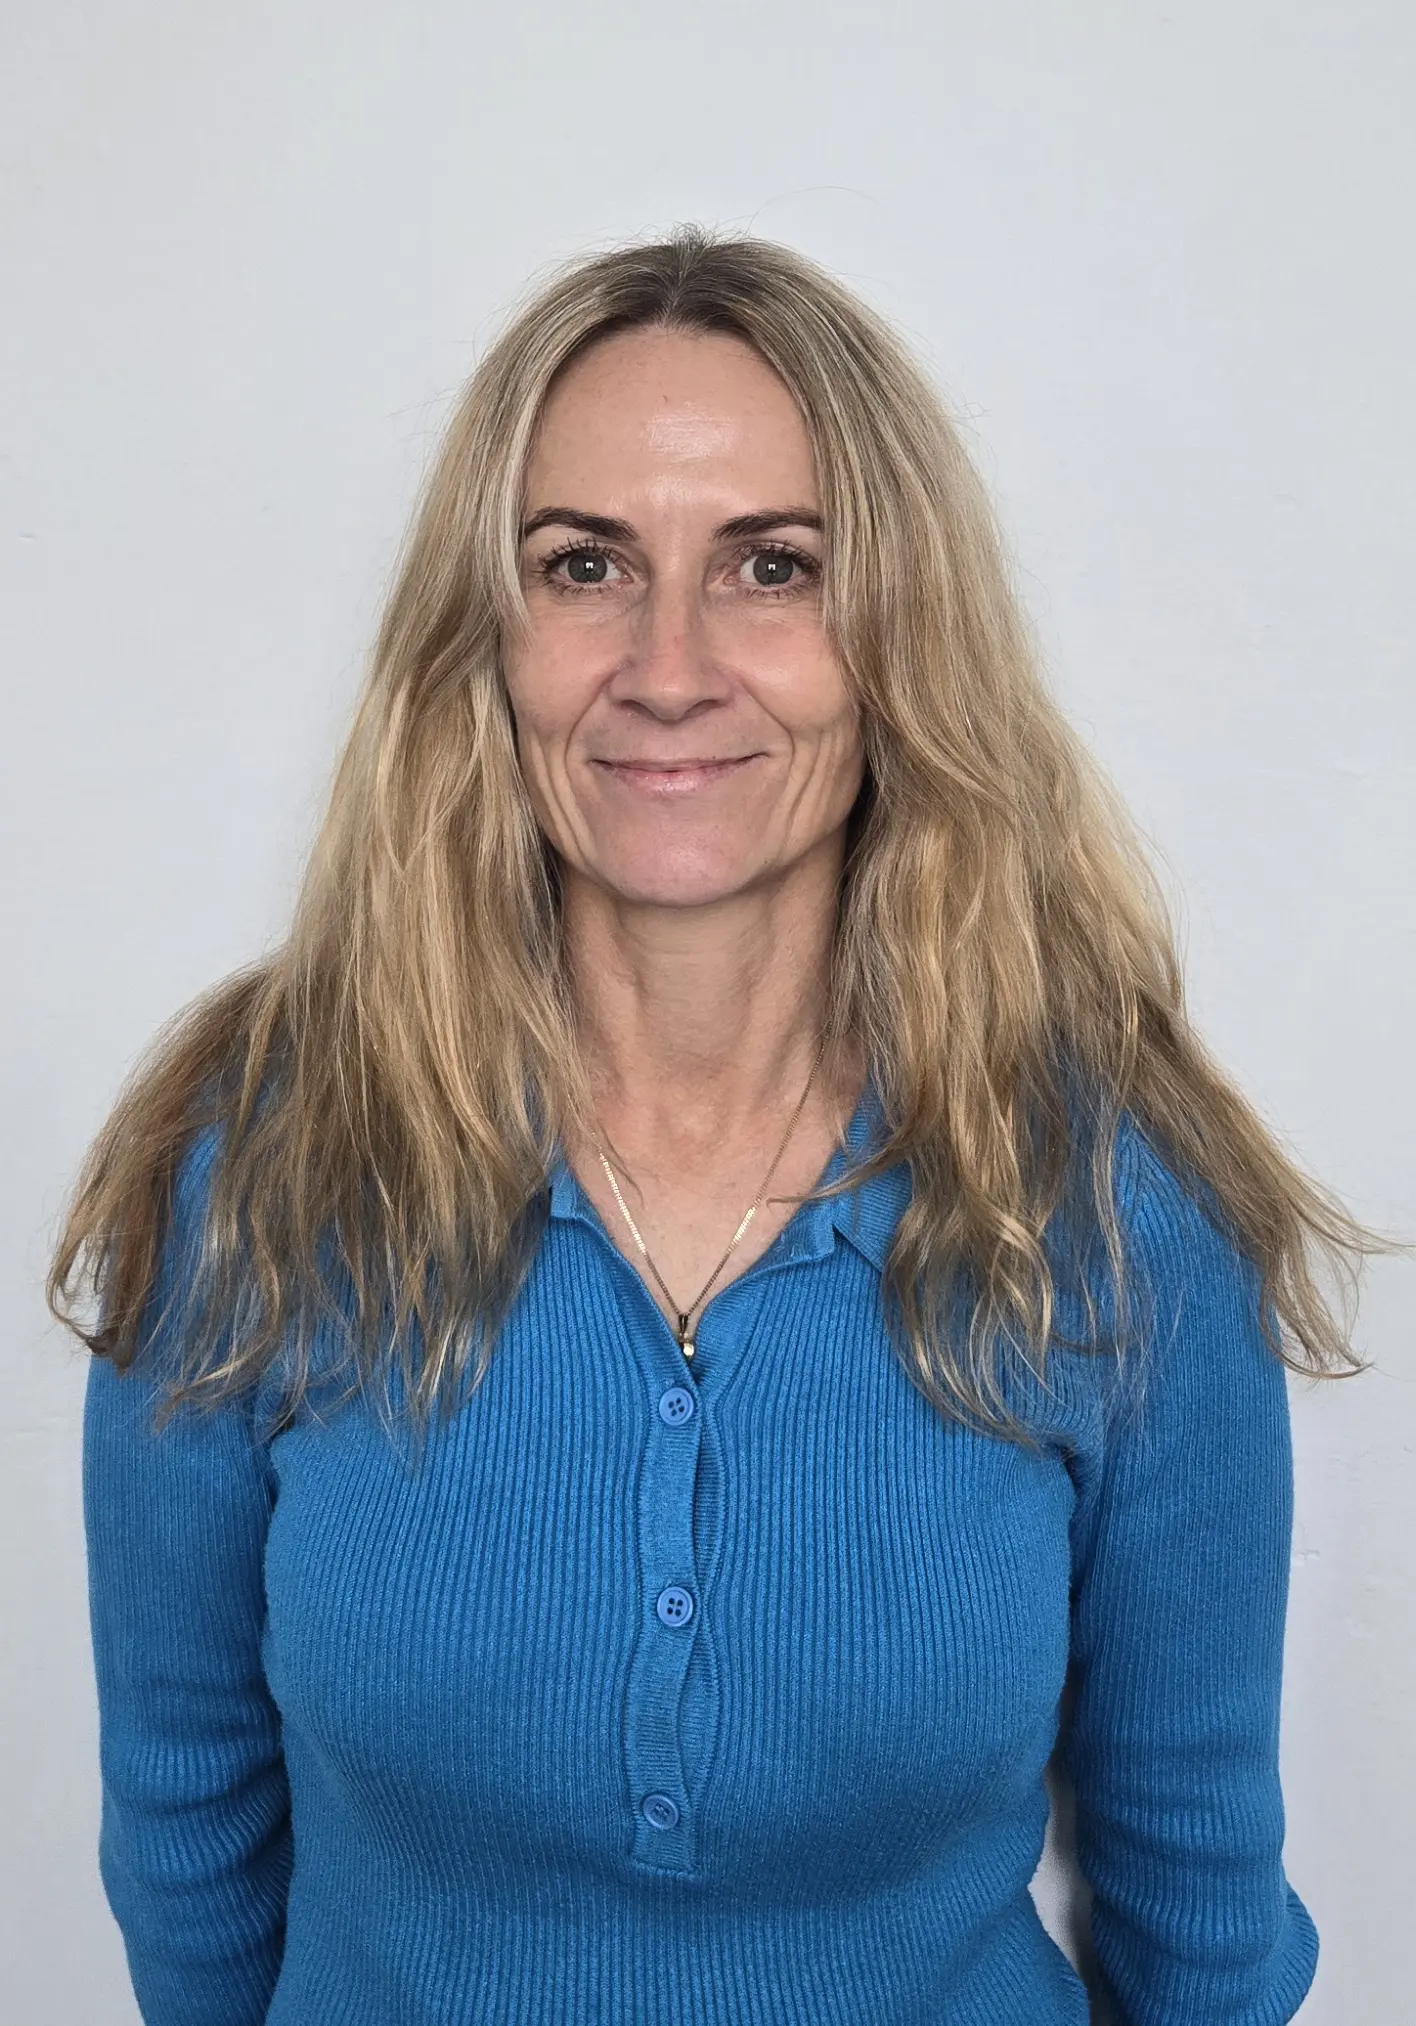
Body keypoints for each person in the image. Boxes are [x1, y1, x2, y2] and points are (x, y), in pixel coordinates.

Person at [51, 227, 1388, 2026]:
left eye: (774, 567)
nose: (668, 664)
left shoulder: (1117, 1206)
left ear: (894, 635)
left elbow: (1198, 1897)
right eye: (583, 563)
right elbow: (187, 1833)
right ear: (486, 640)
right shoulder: (257, 1174)